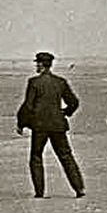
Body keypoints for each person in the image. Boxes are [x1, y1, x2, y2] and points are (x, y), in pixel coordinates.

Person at [16, 52, 85, 198]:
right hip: (58, 125)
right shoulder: (60, 82)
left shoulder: (34, 82)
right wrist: (65, 112)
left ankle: (39, 193)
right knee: (66, 156)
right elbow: (74, 102)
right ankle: (79, 189)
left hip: (39, 126)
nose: (36, 65)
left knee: (36, 157)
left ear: (41, 64)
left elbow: (28, 106)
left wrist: (21, 123)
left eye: (37, 63)